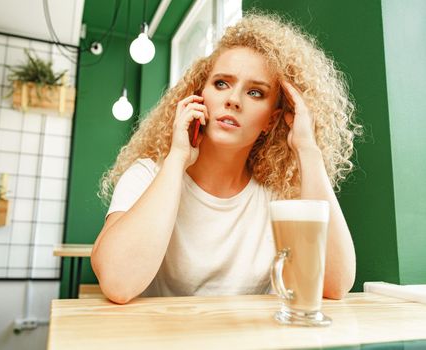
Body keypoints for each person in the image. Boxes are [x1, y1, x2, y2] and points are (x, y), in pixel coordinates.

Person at [91, 10, 362, 304]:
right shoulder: (146, 175)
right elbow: (118, 283)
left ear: (272, 120)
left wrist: (308, 149)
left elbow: (334, 285)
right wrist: (177, 158)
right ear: (199, 96)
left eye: (255, 92)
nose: (232, 99)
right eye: (221, 83)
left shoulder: (278, 196)